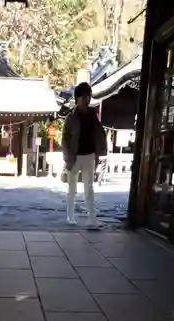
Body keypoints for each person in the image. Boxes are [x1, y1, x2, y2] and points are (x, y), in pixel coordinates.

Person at [62, 82, 107, 229]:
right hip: (74, 156)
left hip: (89, 155)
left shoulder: (93, 115)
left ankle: (92, 220)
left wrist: (102, 152)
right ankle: (70, 217)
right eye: (83, 97)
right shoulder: (71, 117)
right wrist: (67, 156)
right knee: (72, 188)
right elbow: (65, 139)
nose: (86, 100)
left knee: (89, 187)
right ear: (77, 99)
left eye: (88, 96)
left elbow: (100, 134)